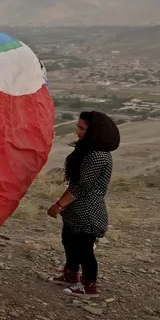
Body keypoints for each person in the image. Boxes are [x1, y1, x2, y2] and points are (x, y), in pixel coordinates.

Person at [46, 110, 120, 297]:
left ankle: (89, 285)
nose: (78, 132)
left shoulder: (98, 156)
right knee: (69, 241)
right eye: (78, 127)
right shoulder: (87, 151)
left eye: (82, 128)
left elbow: (81, 187)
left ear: (95, 130)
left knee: (84, 250)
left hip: (89, 212)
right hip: (77, 210)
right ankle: (71, 274)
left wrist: (59, 205)